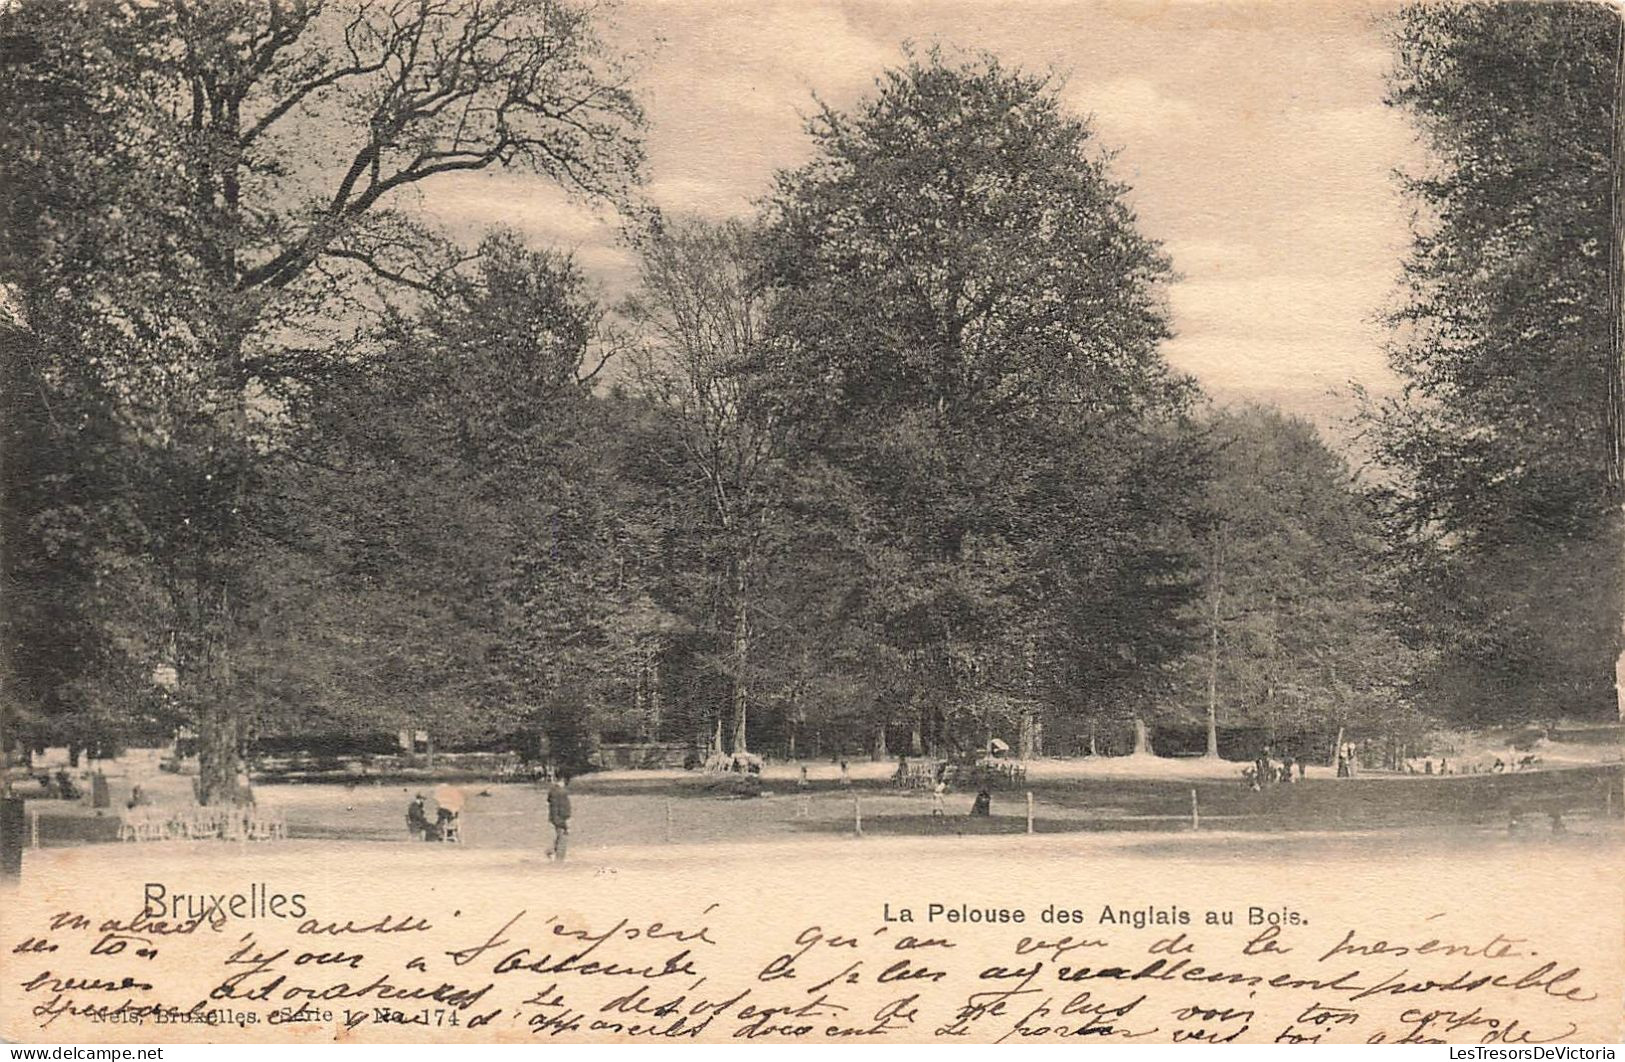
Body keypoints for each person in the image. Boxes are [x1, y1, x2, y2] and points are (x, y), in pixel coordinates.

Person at [547, 775, 572, 862]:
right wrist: (563, 821)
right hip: (560, 818)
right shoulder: (561, 792)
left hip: (557, 817)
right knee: (563, 837)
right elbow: (562, 808)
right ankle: (559, 858)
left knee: (559, 836)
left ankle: (552, 852)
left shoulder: (554, 791)